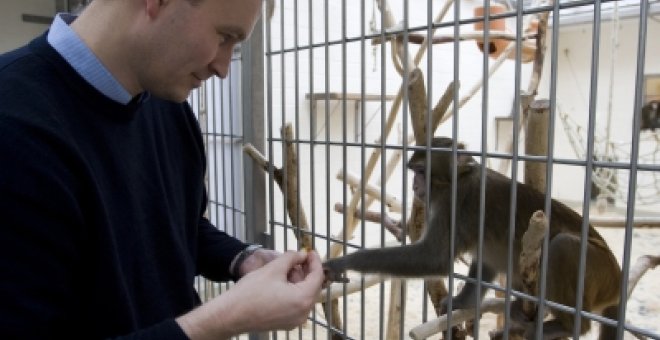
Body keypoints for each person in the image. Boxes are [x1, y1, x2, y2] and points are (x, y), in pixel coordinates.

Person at [0, 0, 325, 338]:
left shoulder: (165, 102)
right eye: (224, 35)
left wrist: (244, 259)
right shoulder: (14, 124)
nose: (223, 66)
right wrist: (226, 317)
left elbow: (180, 226)